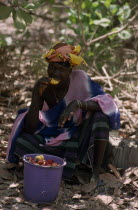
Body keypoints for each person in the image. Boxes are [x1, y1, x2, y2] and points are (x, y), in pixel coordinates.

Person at [6, 42, 120, 184]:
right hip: (54, 137)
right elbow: (31, 128)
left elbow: (107, 102)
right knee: (22, 141)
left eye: (60, 69)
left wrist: (77, 104)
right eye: (52, 68)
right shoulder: (44, 87)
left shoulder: (80, 79)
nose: (55, 73)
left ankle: (95, 171)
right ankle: (70, 166)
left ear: (70, 70)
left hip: (79, 135)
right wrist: (36, 97)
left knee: (100, 117)